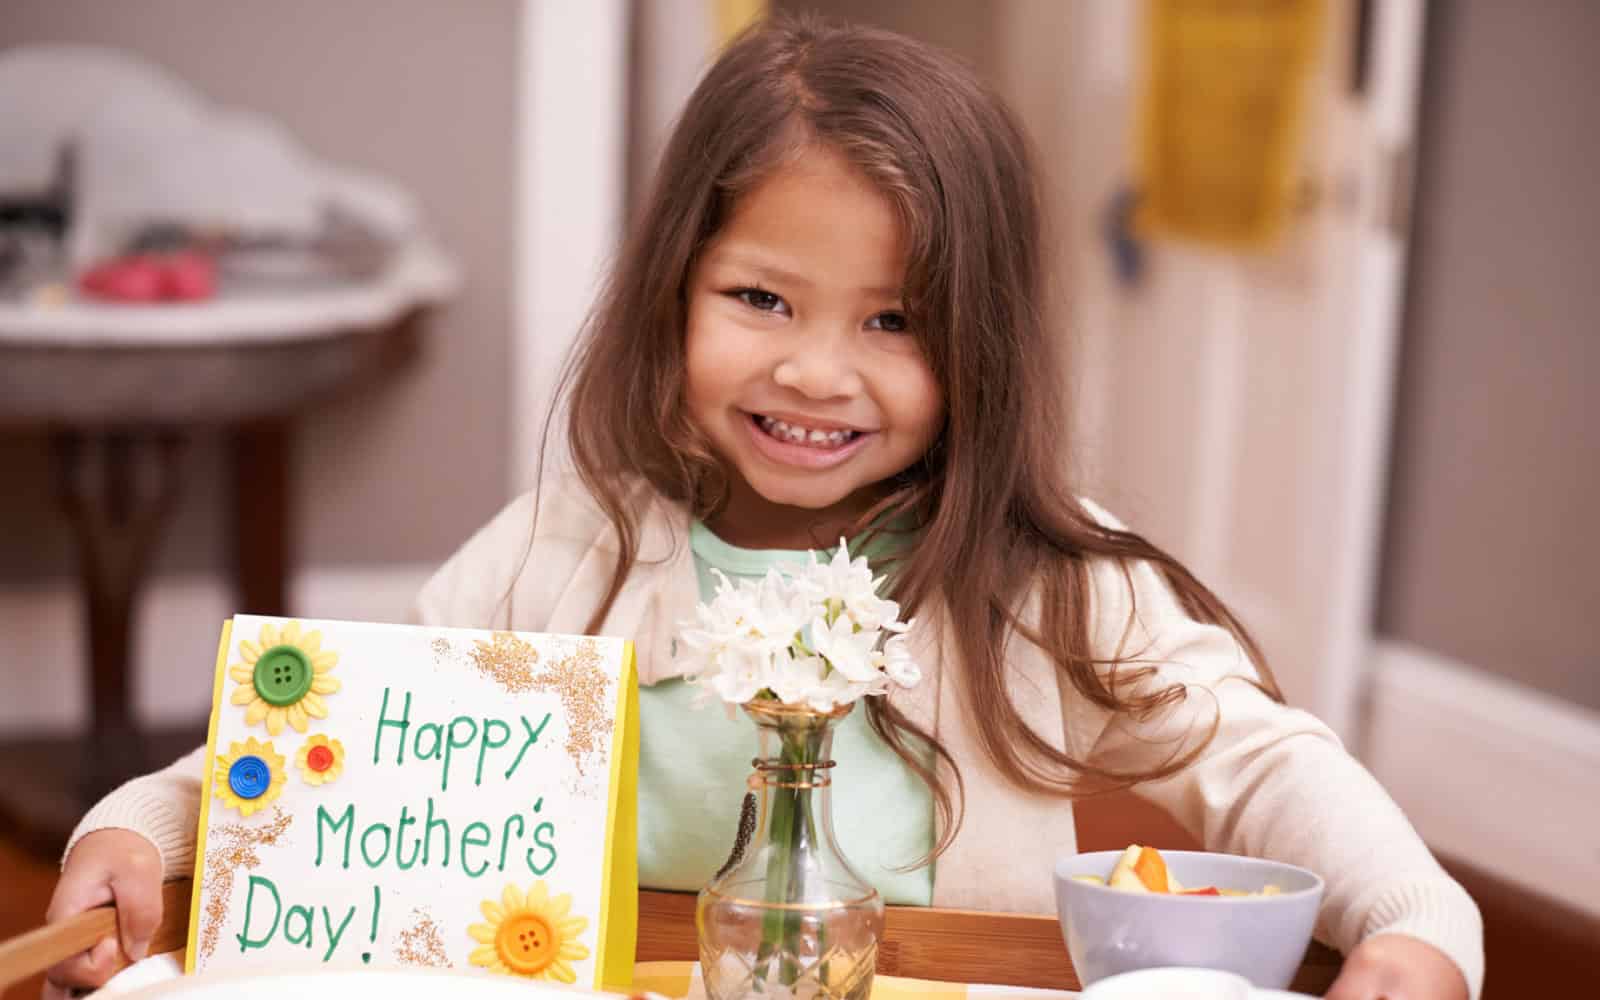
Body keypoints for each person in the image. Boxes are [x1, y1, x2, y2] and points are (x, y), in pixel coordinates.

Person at [43, 14, 1482, 1000]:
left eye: (895, 321)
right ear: (676, 289)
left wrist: (1419, 927)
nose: (815, 370)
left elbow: (1264, 764)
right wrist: (137, 831)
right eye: (761, 299)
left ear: (980, 345)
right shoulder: (568, 551)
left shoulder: (1036, 582)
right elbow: (329, 758)